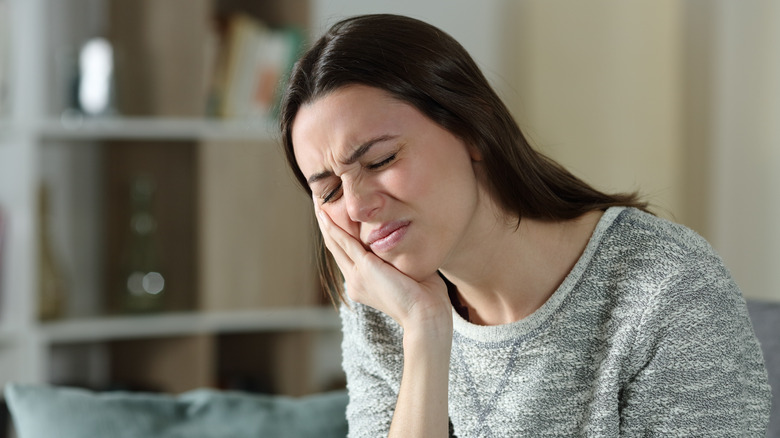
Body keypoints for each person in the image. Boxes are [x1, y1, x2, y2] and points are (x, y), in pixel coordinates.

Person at [279, 14, 771, 437]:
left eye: (380, 159)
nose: (360, 205)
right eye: (330, 190)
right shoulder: (386, 308)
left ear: (471, 129)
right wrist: (424, 330)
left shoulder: (667, 286)